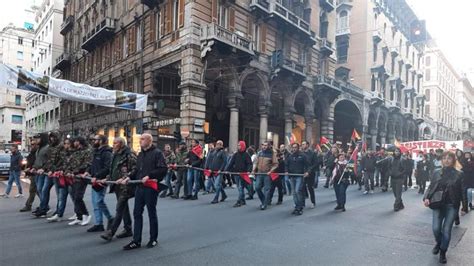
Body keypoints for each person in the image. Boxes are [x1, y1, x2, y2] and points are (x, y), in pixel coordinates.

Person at [123, 133, 167, 250]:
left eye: (142, 139)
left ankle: (153, 239)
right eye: (140, 139)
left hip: (150, 188)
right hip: (139, 187)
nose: (140, 141)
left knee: (151, 213)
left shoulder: (157, 153)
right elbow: (137, 170)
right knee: (137, 213)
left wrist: (149, 175)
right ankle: (136, 240)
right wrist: (129, 177)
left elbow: (163, 169)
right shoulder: (140, 154)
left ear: (149, 141)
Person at [423, 151, 463, 264]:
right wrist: (426, 198)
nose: (446, 160)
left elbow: (462, 191)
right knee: (436, 228)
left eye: (449, 158)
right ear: (441, 160)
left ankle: (443, 252)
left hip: (452, 206)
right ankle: (439, 242)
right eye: (444, 158)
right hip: (438, 203)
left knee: (446, 230)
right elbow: (431, 187)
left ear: (453, 160)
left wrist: (464, 207)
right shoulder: (436, 172)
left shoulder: (459, 174)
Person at [101, 137, 137, 242]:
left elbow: (135, 169)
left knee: (119, 208)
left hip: (126, 186)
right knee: (124, 208)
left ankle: (111, 232)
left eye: (115, 143)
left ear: (121, 144)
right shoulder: (115, 154)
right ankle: (128, 229)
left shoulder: (129, 154)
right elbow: (113, 170)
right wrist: (107, 178)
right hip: (117, 185)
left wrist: (125, 178)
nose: (113, 145)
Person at [87, 135, 113, 232]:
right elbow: (92, 165)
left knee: (98, 201)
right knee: (95, 202)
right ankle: (99, 223)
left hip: (101, 180)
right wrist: (88, 171)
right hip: (95, 180)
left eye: (95, 139)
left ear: (102, 141)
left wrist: (97, 176)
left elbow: (107, 167)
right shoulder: (96, 151)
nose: (94, 141)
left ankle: (110, 218)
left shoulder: (106, 153)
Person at [46, 138, 74, 222]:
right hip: (62, 177)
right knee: (61, 196)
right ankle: (59, 214)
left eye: (68, 143)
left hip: (70, 178)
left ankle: (79, 214)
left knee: (75, 197)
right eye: (65, 143)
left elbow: (72, 165)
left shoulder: (74, 153)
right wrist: (56, 170)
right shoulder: (63, 153)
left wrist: (65, 170)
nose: (66, 145)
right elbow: (57, 163)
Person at [68, 137, 92, 226]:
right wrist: (69, 171)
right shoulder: (75, 151)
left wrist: (76, 172)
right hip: (74, 177)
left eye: (76, 141)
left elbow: (87, 163)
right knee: (74, 196)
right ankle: (79, 216)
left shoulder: (87, 151)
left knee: (78, 197)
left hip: (81, 177)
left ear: (80, 142)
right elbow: (70, 163)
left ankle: (86, 214)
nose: (74, 143)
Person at [38, 132, 62, 219]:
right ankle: (43, 209)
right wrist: (44, 169)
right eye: (50, 137)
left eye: (53, 137)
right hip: (49, 172)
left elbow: (60, 160)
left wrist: (53, 170)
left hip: (56, 173)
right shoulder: (50, 146)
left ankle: (58, 211)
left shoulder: (60, 147)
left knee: (59, 193)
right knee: (44, 190)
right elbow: (48, 161)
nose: (52, 139)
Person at [226, 141, 252, 207]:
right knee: (239, 187)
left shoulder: (246, 155)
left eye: (239, 145)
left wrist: (249, 171)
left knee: (240, 187)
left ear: (243, 146)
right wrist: (227, 170)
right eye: (238, 145)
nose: (238, 146)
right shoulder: (235, 154)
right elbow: (231, 163)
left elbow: (249, 164)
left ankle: (239, 201)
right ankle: (243, 200)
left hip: (243, 174)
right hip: (236, 173)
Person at [285, 143, 309, 215]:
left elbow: (307, 165)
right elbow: (286, 164)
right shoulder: (290, 156)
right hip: (292, 176)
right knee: (294, 192)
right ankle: (297, 206)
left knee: (298, 191)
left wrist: (307, 172)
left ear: (298, 148)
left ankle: (300, 207)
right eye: (293, 147)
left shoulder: (303, 156)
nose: (294, 149)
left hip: (299, 176)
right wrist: (286, 171)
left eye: (295, 147)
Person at [253, 141, 278, 210]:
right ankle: (264, 200)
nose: (264, 146)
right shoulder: (259, 153)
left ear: (269, 146)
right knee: (257, 187)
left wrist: (271, 171)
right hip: (259, 173)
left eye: (266, 145)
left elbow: (275, 164)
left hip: (267, 173)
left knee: (266, 189)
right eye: (263, 145)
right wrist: (253, 170)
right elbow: (256, 162)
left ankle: (264, 204)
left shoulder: (272, 153)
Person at [31, 133, 50, 217]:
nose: (36, 140)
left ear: (43, 139)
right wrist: (34, 167)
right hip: (37, 171)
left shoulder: (47, 148)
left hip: (43, 172)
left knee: (42, 190)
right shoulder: (39, 148)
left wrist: (44, 168)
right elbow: (37, 160)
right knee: (39, 190)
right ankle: (44, 206)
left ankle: (44, 207)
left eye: (38, 139)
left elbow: (49, 160)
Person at [19, 141, 39, 212]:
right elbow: (28, 163)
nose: (32, 146)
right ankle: (44, 204)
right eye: (31, 144)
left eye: (33, 144)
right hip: (31, 173)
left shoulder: (37, 153)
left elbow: (37, 163)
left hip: (35, 173)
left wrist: (30, 169)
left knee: (32, 190)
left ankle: (28, 205)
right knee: (37, 191)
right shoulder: (32, 153)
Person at [301, 141, 317, 208]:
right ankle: (302, 203)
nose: (302, 145)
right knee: (302, 187)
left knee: (310, 188)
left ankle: (313, 202)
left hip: (310, 173)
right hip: (302, 173)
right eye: (302, 144)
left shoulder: (312, 153)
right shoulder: (301, 153)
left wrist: (309, 171)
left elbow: (315, 163)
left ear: (307, 145)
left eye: (303, 144)